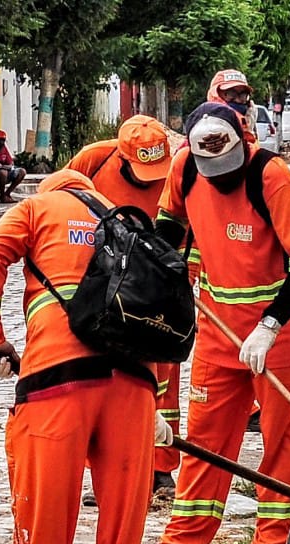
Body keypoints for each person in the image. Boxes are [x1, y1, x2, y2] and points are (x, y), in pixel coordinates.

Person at [0, 169, 165, 544]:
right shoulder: (127, 224)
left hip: (58, 375)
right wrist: (155, 398)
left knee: (47, 496)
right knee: (124, 505)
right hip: (132, 378)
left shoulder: (38, 208)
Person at [137, 102, 290, 544]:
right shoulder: (184, 167)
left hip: (278, 332)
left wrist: (269, 326)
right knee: (204, 436)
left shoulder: (272, 178)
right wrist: (162, 274)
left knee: (282, 438)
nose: (219, 177)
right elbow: (170, 226)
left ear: (244, 140)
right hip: (217, 326)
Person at [67, 115, 179, 497]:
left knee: (163, 373)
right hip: (102, 281)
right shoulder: (93, 160)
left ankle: (162, 467)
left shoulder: (177, 168)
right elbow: (60, 200)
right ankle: (103, 471)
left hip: (157, 281)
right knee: (103, 378)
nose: (151, 178)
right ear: (122, 155)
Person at [207, 69, 259, 143]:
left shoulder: (249, 121)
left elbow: (251, 152)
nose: (237, 100)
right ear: (216, 94)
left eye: (243, 94)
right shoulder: (203, 124)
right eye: (231, 93)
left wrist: (248, 130)